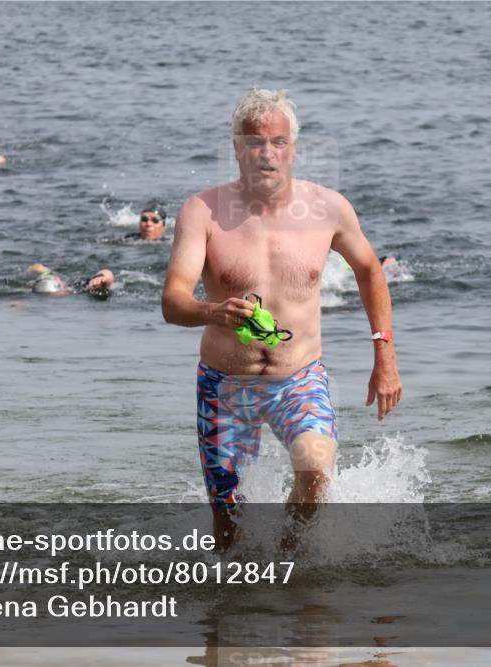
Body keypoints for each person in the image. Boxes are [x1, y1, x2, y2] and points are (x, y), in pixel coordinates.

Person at [161, 88, 402, 548]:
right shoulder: (202, 212)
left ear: (294, 147)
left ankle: (291, 557)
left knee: (315, 466)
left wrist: (384, 356)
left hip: (299, 378)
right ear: (236, 148)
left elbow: (370, 271)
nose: (266, 153)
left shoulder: (328, 208)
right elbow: (172, 302)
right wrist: (213, 311)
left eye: (278, 142)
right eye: (254, 143)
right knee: (229, 532)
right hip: (224, 387)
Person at [25, 263, 114, 298]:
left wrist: (100, 277)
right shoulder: (37, 294)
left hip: (57, 279)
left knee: (43, 270)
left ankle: (40, 268)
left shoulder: (78, 288)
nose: (58, 298)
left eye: (57, 295)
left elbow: (108, 273)